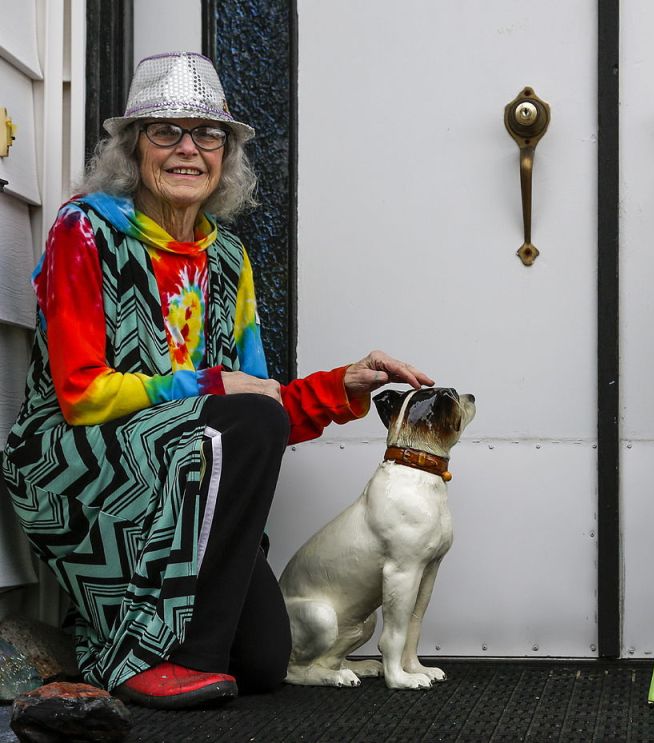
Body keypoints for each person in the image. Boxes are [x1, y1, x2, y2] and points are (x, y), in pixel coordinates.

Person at [0, 52, 432, 709]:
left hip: (186, 472)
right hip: (75, 461)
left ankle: (155, 642)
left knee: (261, 660)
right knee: (239, 426)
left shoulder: (226, 256)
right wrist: (209, 384)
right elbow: (82, 393)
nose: (188, 149)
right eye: (164, 131)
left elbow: (253, 408)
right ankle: (150, 656)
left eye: (208, 134)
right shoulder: (84, 230)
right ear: (130, 147)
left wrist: (341, 388)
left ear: (226, 155)